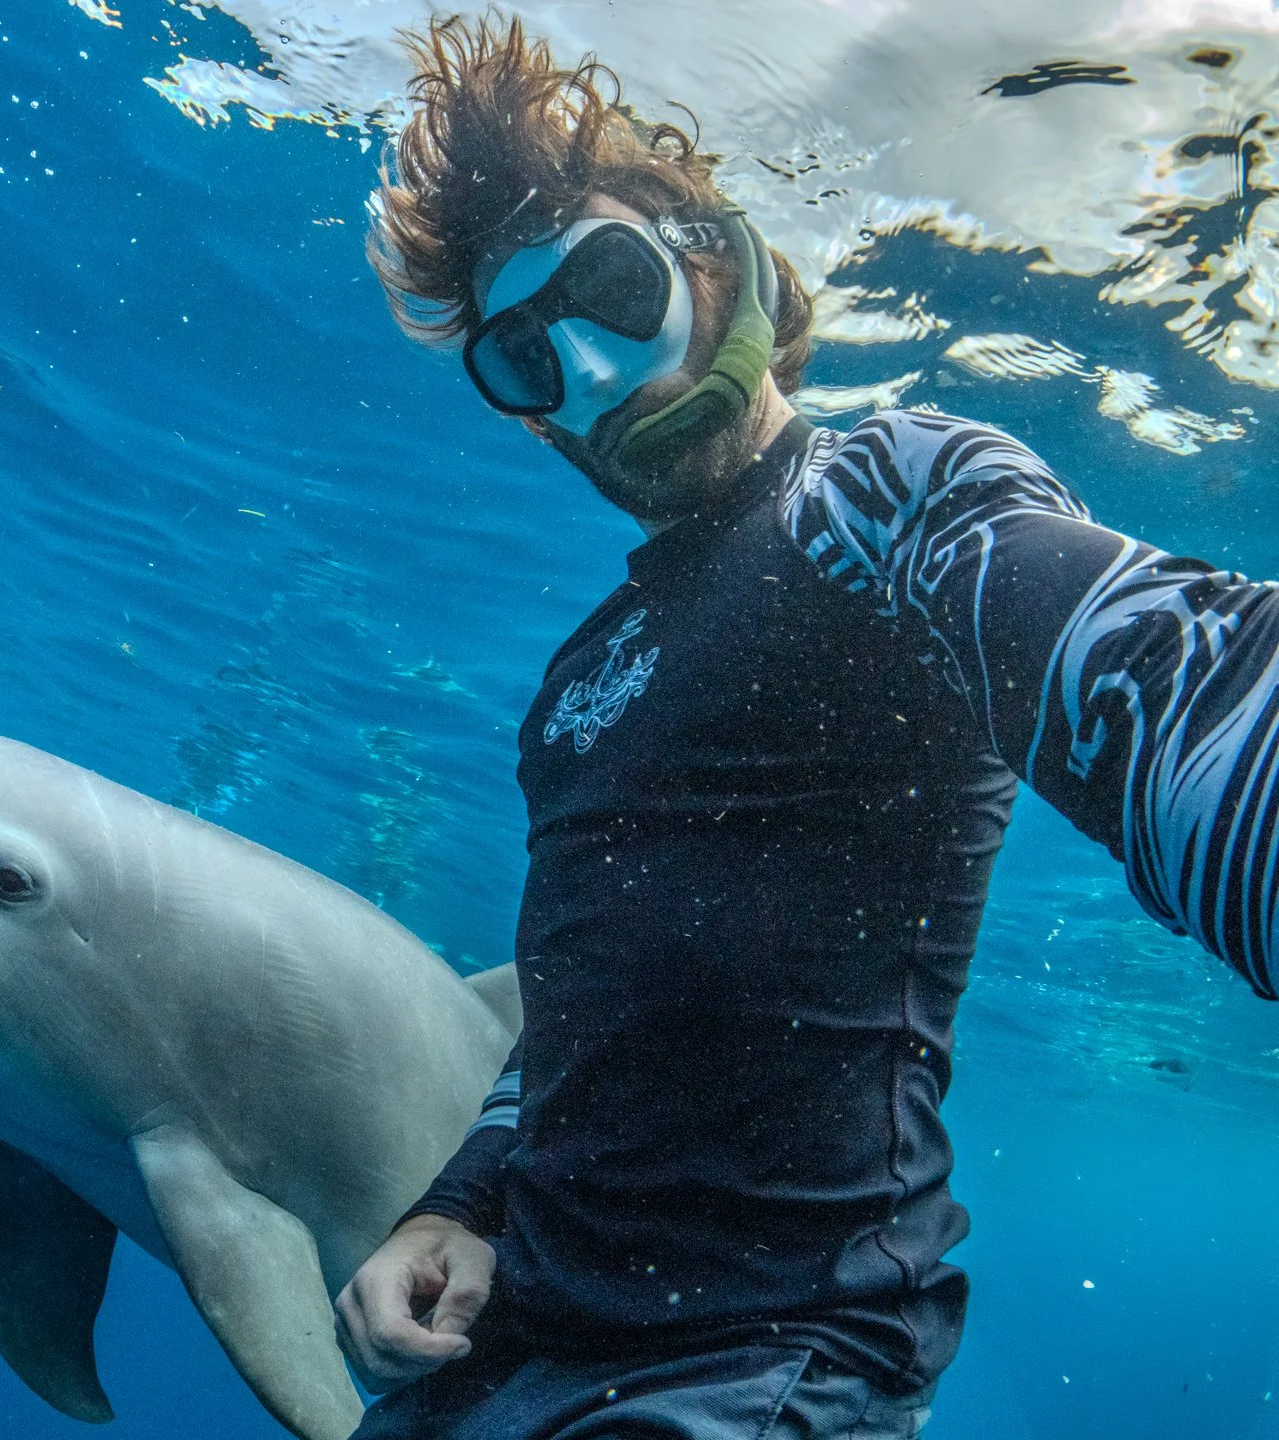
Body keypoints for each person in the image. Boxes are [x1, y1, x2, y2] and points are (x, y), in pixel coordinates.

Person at [331, 15, 1279, 1440]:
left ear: (721, 266)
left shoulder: (877, 494)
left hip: (757, 1368)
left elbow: (1165, 687)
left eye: (610, 290)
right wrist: (462, 1202)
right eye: (521, 358)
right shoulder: (581, 677)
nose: (585, 376)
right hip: (505, 1347)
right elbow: (583, 1016)